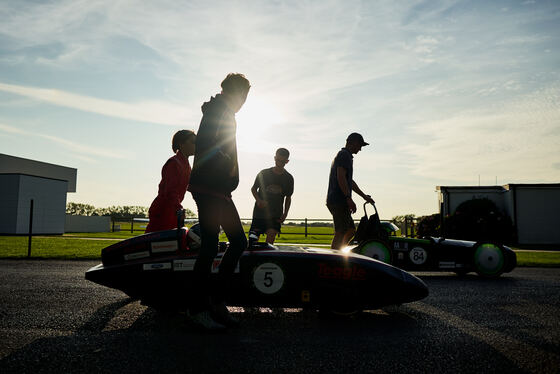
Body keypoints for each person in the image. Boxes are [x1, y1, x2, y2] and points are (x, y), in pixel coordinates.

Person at [187, 73, 251, 331]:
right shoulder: (219, 111)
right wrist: (225, 166)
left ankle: (215, 301)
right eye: (244, 98)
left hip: (219, 190)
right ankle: (197, 307)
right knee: (211, 246)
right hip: (209, 187)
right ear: (236, 93)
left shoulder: (223, 111)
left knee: (238, 241)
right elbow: (210, 145)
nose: (244, 103)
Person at [326, 132, 375, 250]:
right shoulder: (344, 155)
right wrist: (348, 198)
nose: (360, 149)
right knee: (341, 231)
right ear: (352, 143)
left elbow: (349, 182)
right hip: (339, 200)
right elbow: (341, 176)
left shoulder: (346, 156)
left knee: (350, 230)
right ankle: (334, 258)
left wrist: (364, 196)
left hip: (339, 199)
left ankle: (340, 253)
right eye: (360, 145)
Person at [145, 130, 196, 233]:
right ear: (182, 144)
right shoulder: (174, 163)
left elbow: (188, 186)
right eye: (193, 142)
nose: (196, 145)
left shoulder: (186, 165)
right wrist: (179, 208)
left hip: (173, 210)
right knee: (158, 244)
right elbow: (170, 191)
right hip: (164, 210)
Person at [249, 148, 294, 245]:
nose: (280, 163)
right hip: (259, 213)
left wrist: (285, 213)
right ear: (274, 158)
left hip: (275, 214)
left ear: (287, 161)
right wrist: (258, 200)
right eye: (278, 160)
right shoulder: (263, 173)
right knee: (253, 241)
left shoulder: (289, 178)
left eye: (282, 161)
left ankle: (267, 259)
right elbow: (253, 189)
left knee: (270, 238)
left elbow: (288, 197)